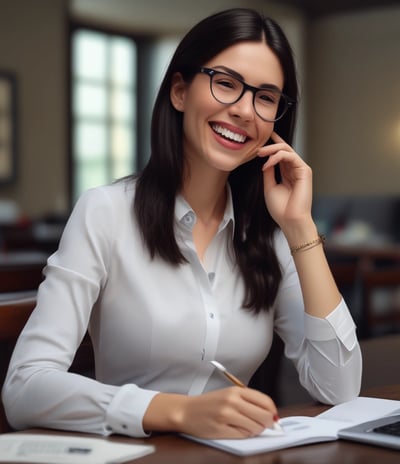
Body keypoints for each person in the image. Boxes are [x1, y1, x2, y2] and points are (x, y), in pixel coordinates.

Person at [2, 8, 361, 440]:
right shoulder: (106, 211)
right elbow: (25, 386)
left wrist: (300, 227)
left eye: (265, 97)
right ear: (179, 91)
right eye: (226, 83)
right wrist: (176, 412)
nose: (245, 110)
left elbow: (339, 389)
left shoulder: (269, 232)